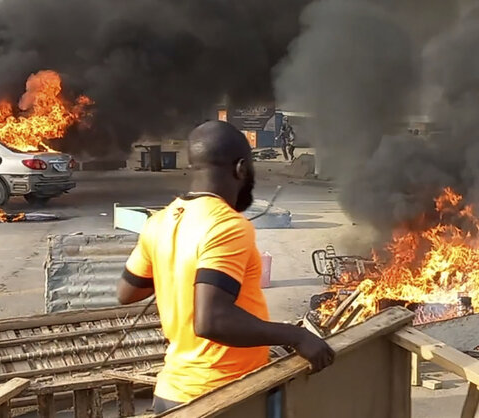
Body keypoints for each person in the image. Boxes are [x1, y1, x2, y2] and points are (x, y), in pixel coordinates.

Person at [117, 121, 334, 413]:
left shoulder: (160, 221)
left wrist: (177, 269)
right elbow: (211, 321)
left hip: (172, 393)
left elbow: (127, 292)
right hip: (222, 396)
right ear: (241, 169)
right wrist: (296, 336)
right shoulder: (227, 225)